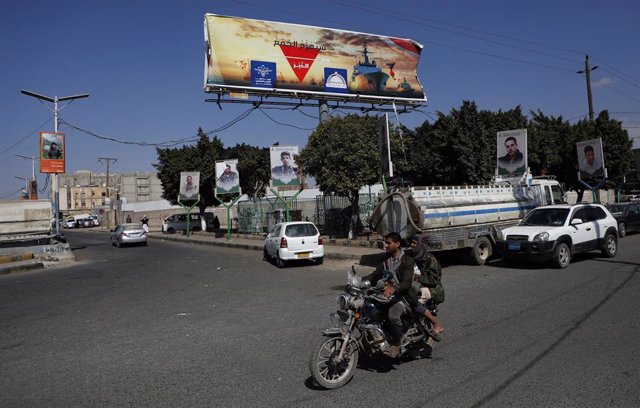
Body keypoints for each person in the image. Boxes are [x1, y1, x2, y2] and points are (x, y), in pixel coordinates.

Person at [363, 232, 419, 358]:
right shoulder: (386, 260)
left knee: (393, 315)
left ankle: (397, 342)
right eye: (385, 243)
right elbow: (374, 275)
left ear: (397, 244)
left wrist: (393, 289)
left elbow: (406, 282)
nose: (386, 245)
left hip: (404, 296)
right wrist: (358, 281)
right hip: (388, 295)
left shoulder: (407, 261)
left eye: (389, 243)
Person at [408, 235, 445, 339]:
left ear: (421, 244)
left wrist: (416, 278)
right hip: (416, 286)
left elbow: (434, 280)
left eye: (414, 243)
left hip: (434, 289)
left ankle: (436, 324)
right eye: (411, 242)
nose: (411, 245)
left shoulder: (430, 259)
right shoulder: (413, 256)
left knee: (413, 302)